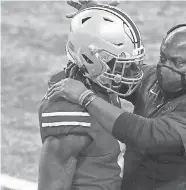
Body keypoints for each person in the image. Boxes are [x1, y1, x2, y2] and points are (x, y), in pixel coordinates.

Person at [45, 4, 186, 187]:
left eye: (178, 63)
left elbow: (147, 136)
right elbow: (118, 69)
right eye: (163, 58)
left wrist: (85, 97)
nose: (166, 68)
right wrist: (95, 26)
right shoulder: (157, 81)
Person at [37, 3, 145, 190]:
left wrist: (92, 19)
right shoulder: (70, 112)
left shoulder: (97, 86)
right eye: (118, 64)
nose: (128, 72)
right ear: (90, 60)